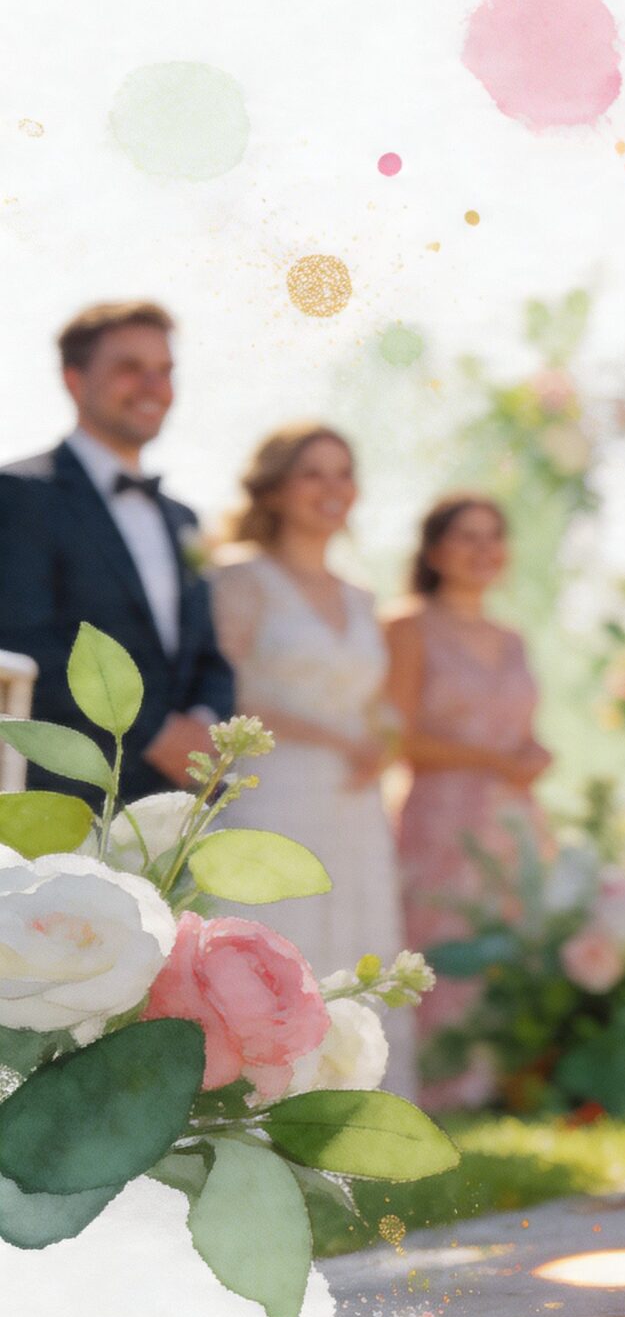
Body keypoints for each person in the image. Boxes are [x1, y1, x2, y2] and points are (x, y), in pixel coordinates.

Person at [205, 424, 412, 1094]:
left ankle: (347, 1099)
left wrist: (384, 740)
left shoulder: (360, 596)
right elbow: (227, 690)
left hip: (354, 800)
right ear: (274, 488)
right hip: (275, 786)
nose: (332, 488)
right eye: (312, 472)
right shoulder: (239, 578)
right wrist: (334, 739)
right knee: (276, 932)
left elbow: (372, 699)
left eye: (343, 472)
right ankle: (254, 1099)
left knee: (352, 937)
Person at [0, 302, 233, 801]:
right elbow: (25, 643)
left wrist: (203, 726)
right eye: (130, 368)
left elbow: (208, 655)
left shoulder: (183, 519)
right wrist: (153, 734)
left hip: (175, 802)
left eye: (164, 371)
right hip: (65, 799)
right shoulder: (18, 494)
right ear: (75, 380)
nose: (153, 386)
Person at [385, 494, 550, 1101]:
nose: (484, 550)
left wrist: (535, 754)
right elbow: (397, 737)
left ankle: (507, 1082)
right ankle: (440, 1085)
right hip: (441, 815)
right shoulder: (408, 626)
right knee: (442, 934)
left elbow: (521, 728)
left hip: (512, 816)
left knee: (512, 934)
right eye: (467, 536)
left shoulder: (512, 638)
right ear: (433, 551)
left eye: (494, 536)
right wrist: (495, 762)